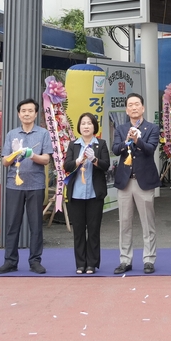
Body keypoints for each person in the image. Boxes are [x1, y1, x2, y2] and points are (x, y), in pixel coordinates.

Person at [0, 98, 54, 274]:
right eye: (23, 111)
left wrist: (31, 155)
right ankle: (10, 261)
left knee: (36, 225)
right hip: (14, 185)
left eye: (30, 111)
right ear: (18, 114)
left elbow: (46, 159)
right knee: (12, 225)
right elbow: (5, 161)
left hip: (35, 185)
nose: (27, 114)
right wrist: (15, 154)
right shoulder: (11, 134)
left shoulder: (43, 133)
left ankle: (35, 261)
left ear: (36, 114)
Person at [111, 93, 161, 274]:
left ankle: (149, 259)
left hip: (144, 181)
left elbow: (150, 149)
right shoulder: (121, 128)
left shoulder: (152, 128)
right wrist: (126, 141)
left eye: (137, 104)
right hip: (125, 181)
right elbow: (115, 149)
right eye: (130, 105)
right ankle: (125, 259)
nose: (134, 107)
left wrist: (137, 140)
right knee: (124, 222)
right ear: (126, 109)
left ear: (143, 108)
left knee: (148, 222)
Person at [64, 112, 111, 274]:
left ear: (94, 127)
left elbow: (106, 165)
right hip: (76, 195)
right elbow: (67, 166)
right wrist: (78, 161)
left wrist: (94, 160)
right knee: (78, 231)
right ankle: (80, 263)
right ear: (79, 127)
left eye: (89, 123)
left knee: (93, 230)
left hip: (94, 194)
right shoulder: (73, 145)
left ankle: (92, 263)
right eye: (83, 123)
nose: (86, 126)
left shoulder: (101, 144)